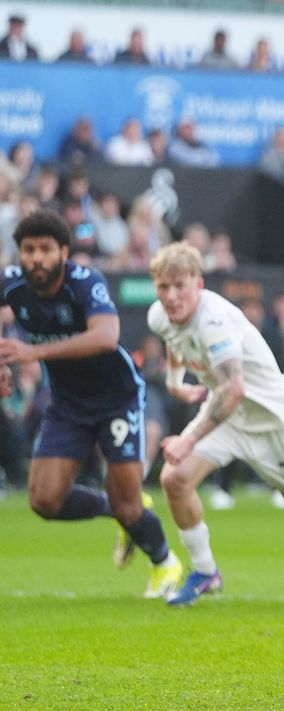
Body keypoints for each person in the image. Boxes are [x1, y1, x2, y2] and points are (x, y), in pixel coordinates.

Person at [147, 242, 284, 606]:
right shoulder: (159, 314)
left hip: (275, 424)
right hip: (228, 417)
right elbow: (174, 339)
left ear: (199, 284)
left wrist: (187, 442)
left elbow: (233, 389)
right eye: (163, 287)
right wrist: (175, 381)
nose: (171, 296)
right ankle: (206, 572)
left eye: (180, 286)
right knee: (175, 479)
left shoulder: (214, 322)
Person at [0, 209, 183, 598]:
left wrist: (34, 352)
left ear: (63, 252)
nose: (36, 258)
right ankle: (115, 507)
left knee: (130, 506)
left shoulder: (85, 282)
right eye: (28, 250)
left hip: (116, 398)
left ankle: (165, 563)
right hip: (68, 404)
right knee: (44, 501)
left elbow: (105, 336)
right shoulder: (12, 284)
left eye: (45, 249)